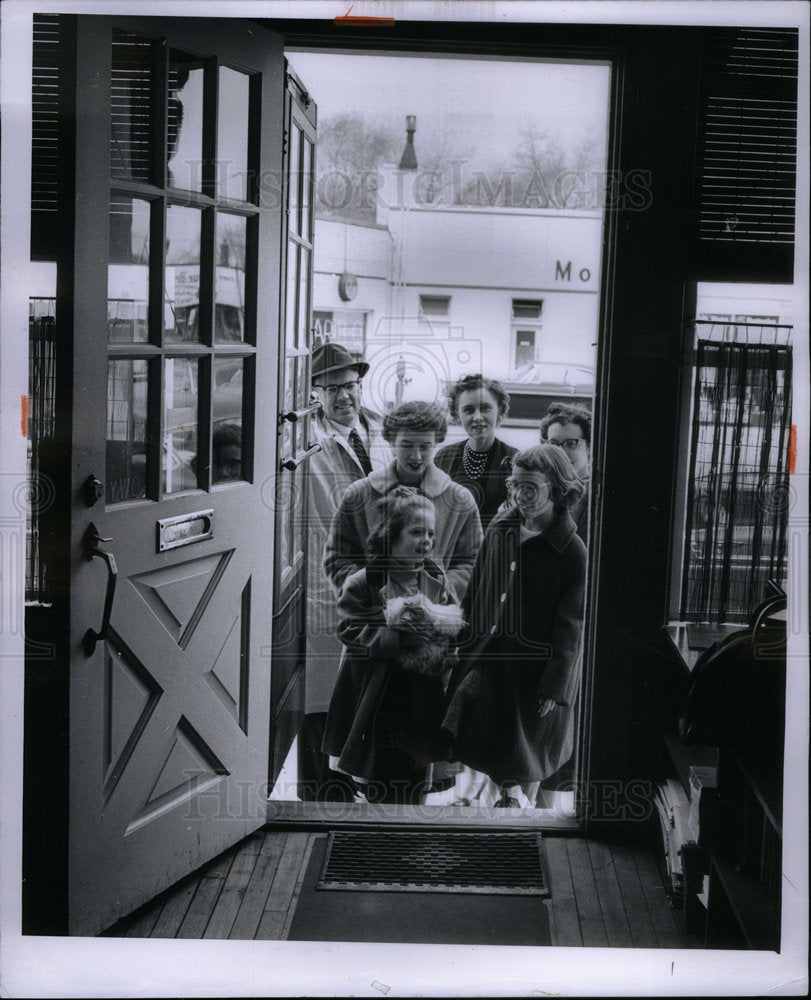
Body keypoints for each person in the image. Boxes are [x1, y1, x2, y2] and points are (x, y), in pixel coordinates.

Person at [442, 444, 587, 809]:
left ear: (555, 489)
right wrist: (459, 643)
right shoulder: (501, 527)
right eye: (514, 486)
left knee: (526, 756)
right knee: (483, 743)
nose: (520, 496)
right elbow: (476, 592)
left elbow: (572, 627)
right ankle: (492, 807)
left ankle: (518, 820)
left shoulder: (571, 551)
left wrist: (556, 686)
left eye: (531, 487)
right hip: (489, 663)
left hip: (534, 677)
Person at [322, 489, 464, 803]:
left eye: (431, 533)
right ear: (391, 536)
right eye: (416, 532)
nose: (426, 540)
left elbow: (453, 628)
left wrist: (442, 637)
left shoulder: (435, 580)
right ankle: (372, 826)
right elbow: (348, 628)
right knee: (377, 777)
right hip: (378, 696)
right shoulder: (366, 581)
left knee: (416, 775)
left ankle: (409, 832)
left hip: (421, 695)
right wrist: (396, 636)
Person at [299, 342, 391, 802]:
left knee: (368, 694)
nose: (344, 397)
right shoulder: (303, 441)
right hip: (327, 585)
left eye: (351, 385)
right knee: (322, 702)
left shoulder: (378, 431)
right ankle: (321, 805)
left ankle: (363, 800)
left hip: (381, 587)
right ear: (315, 393)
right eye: (331, 388)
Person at [323, 400, 483, 604]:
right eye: (407, 445)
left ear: (435, 443)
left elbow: (474, 562)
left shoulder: (460, 500)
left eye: (425, 446)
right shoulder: (358, 494)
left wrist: (436, 596)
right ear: (392, 443)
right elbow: (336, 558)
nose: (416, 456)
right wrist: (369, 593)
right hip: (372, 623)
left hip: (433, 622)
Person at [434, 374, 518, 529]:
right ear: (457, 415)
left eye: (485, 408)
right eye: (468, 410)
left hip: (496, 548)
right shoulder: (443, 458)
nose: (477, 417)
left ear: (499, 411)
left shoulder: (515, 460)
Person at [538, 401, 591, 541]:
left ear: (589, 447)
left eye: (570, 444)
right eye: (554, 444)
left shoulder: (599, 495)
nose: (560, 452)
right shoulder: (539, 490)